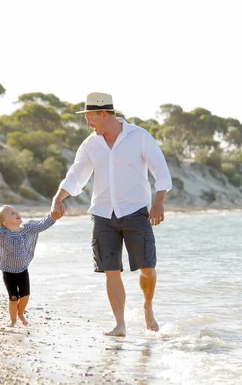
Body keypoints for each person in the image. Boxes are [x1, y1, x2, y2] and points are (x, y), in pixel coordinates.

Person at [51, 92, 172, 337]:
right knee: (111, 270)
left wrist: (158, 202)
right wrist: (58, 197)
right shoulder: (90, 144)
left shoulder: (139, 137)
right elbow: (77, 175)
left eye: (89, 117)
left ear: (104, 113)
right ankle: (120, 324)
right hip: (102, 213)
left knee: (147, 267)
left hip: (136, 210)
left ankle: (147, 306)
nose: (87, 123)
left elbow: (161, 171)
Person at [0, 205, 61, 327]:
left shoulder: (27, 229)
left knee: (25, 295)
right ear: (5, 222)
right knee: (13, 297)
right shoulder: (2, 233)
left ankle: (21, 313)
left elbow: (42, 225)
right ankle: (13, 320)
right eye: (12, 213)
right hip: (8, 271)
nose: (16, 213)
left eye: (15, 211)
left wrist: (53, 217)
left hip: (23, 269)